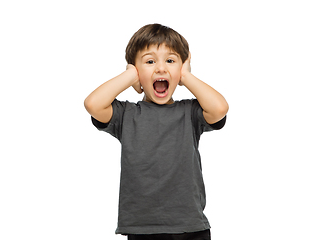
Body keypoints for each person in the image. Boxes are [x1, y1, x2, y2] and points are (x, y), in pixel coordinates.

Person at [84, 23, 229, 240]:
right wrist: (130, 77)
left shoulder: (190, 112)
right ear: (135, 71)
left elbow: (219, 108)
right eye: (150, 62)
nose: (161, 69)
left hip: (189, 226)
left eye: (170, 61)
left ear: (181, 69)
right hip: (142, 229)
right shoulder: (126, 114)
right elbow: (93, 104)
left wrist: (186, 77)